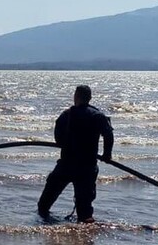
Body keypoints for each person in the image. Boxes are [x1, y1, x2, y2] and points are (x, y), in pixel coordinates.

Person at [38, 85, 114, 223]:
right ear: (90, 98)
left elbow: (58, 138)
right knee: (84, 211)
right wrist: (107, 154)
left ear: (76, 97)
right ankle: (84, 234)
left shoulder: (66, 115)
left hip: (66, 164)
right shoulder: (98, 116)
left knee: (44, 204)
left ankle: (45, 228)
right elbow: (108, 135)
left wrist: (67, 142)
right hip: (87, 166)